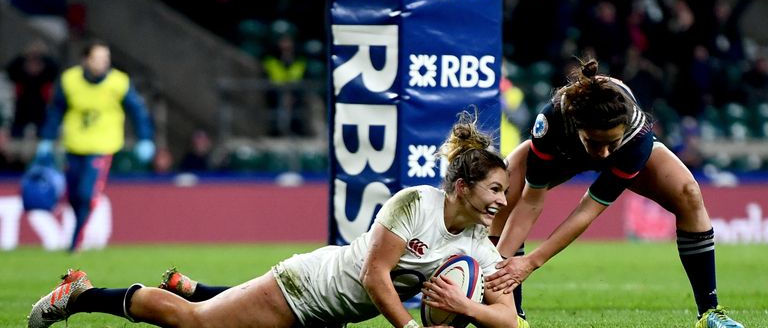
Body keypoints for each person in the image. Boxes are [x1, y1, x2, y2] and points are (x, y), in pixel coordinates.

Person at [28, 111, 528, 328]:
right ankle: (82, 295)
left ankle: (190, 284)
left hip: (331, 315)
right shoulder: (414, 204)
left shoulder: (481, 248)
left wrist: (469, 308)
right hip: (308, 289)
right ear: (461, 186)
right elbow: (376, 276)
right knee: (196, 324)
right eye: (495, 190)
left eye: (504, 192)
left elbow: (511, 321)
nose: (502, 202)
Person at [486, 57, 745, 328]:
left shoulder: (636, 136)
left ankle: (709, 313)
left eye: (612, 142)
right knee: (504, 196)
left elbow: (588, 209)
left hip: (622, 152)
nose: (604, 153)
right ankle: (512, 315)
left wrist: (532, 262)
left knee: (688, 191)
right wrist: (499, 264)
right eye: (595, 142)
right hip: (566, 153)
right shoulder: (551, 123)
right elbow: (531, 201)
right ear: (577, 127)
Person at [34, 41, 155, 252]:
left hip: (102, 147)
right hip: (74, 146)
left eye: (105, 59)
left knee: (86, 194)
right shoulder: (69, 80)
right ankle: (76, 234)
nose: (103, 63)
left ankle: (75, 243)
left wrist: (145, 138)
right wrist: (46, 139)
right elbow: (56, 111)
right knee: (72, 195)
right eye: (98, 59)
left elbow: (138, 112)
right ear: (85, 60)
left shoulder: (119, 82)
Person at [4, 40, 60, 139]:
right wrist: (24, 55)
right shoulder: (21, 67)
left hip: (41, 104)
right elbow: (9, 70)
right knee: (17, 132)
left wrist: (44, 55)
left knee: (42, 132)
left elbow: (55, 69)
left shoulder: (45, 68)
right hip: (22, 103)